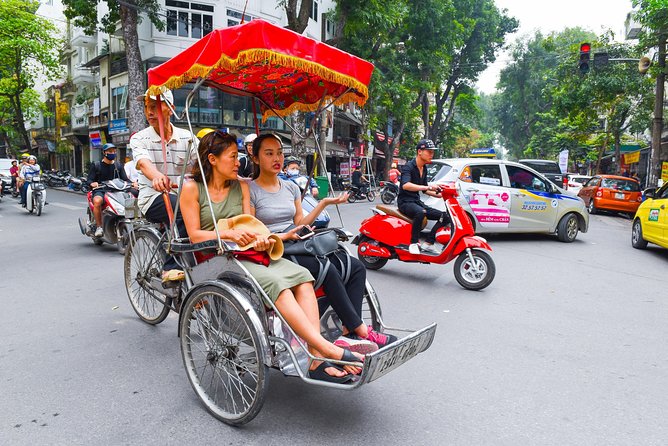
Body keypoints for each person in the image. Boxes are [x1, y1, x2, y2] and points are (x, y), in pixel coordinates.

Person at [179, 130, 363, 383]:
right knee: (281, 287)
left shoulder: (241, 186)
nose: (238, 162)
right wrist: (229, 236)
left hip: (249, 253)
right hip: (216, 258)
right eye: (233, 157)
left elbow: (250, 224)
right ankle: (328, 349)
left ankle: (316, 356)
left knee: (303, 278)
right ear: (212, 159)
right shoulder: (192, 189)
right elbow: (194, 235)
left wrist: (262, 238)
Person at [249, 133, 397, 351]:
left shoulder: (290, 187)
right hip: (275, 249)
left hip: (298, 242)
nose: (276, 158)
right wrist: (282, 237)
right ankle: (360, 330)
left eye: (279, 153)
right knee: (326, 270)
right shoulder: (250, 189)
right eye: (269, 153)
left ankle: (348, 333)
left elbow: (299, 221)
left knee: (354, 266)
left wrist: (324, 203)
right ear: (255, 158)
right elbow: (252, 228)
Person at [130, 88, 198, 283]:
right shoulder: (139, 138)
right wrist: (157, 176)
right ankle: (171, 267)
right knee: (181, 210)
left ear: (170, 109)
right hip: (152, 198)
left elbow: (203, 163)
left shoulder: (188, 138)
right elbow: (143, 163)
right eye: (146, 108)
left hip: (185, 197)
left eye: (155, 107)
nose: (149, 112)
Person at [398, 139, 450, 255]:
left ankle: (429, 243)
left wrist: (442, 194)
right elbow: (406, 185)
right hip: (405, 202)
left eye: (433, 152)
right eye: (429, 152)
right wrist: (427, 187)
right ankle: (414, 243)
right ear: (419, 152)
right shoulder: (408, 167)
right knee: (421, 212)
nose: (432, 154)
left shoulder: (424, 168)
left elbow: (425, 189)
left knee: (445, 216)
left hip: (416, 202)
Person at [87, 143, 133, 237]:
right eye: (110, 151)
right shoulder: (96, 165)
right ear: (104, 152)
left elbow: (125, 179)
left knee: (131, 198)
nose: (113, 153)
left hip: (116, 190)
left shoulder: (118, 166)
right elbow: (90, 180)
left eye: (114, 151)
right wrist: (92, 183)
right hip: (101, 190)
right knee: (97, 201)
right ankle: (99, 226)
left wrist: (133, 183)